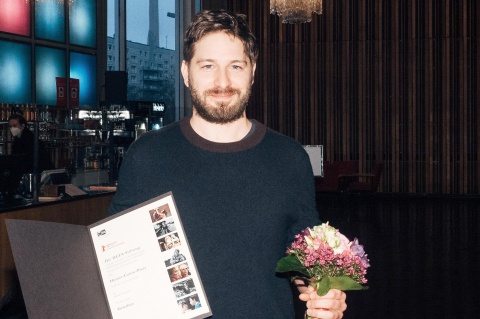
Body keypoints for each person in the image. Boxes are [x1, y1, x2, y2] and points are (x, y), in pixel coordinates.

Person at [109, 9, 347, 318]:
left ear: (252, 71)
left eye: (235, 66)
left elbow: (302, 257)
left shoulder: (289, 158)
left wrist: (323, 289)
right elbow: (114, 260)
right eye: (207, 66)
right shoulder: (145, 157)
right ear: (185, 71)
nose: (222, 82)